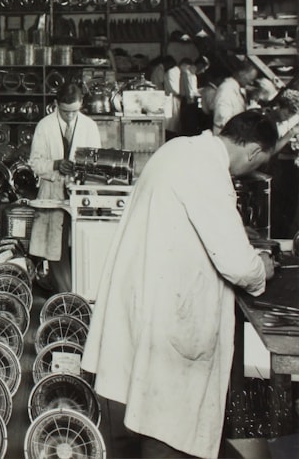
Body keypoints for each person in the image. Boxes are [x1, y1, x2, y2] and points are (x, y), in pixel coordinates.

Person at [81, 110, 281, 459]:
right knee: (172, 420)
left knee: (154, 406)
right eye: (262, 160)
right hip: (170, 314)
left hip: (149, 300)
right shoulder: (207, 170)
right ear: (252, 151)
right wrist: (261, 267)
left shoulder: (181, 150)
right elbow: (236, 264)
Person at [27, 82, 101, 292]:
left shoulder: (89, 126)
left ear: (81, 105)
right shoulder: (45, 126)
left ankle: (73, 290)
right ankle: (65, 293)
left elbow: (96, 165)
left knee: (78, 246)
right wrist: (56, 164)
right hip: (52, 193)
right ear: (56, 104)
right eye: (65, 111)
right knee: (56, 248)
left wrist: (79, 169)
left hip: (79, 193)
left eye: (74, 111)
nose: (70, 116)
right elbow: (35, 163)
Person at [211, 58, 259, 134]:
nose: (251, 82)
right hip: (225, 134)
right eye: (250, 79)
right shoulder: (226, 90)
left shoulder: (237, 88)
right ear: (241, 73)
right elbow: (223, 119)